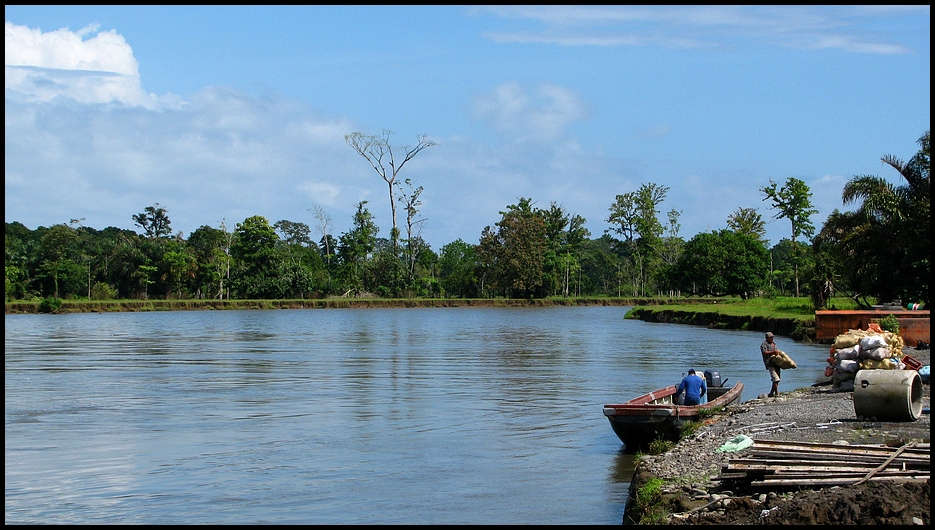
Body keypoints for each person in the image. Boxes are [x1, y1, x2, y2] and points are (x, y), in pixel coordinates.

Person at [761, 331, 781, 397]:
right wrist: (773, 352)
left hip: (776, 363)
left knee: (778, 379)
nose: (772, 338)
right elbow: (764, 352)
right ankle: (777, 393)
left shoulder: (774, 344)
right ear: (767, 338)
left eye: (772, 337)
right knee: (775, 378)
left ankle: (771, 393)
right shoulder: (764, 344)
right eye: (771, 337)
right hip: (769, 363)